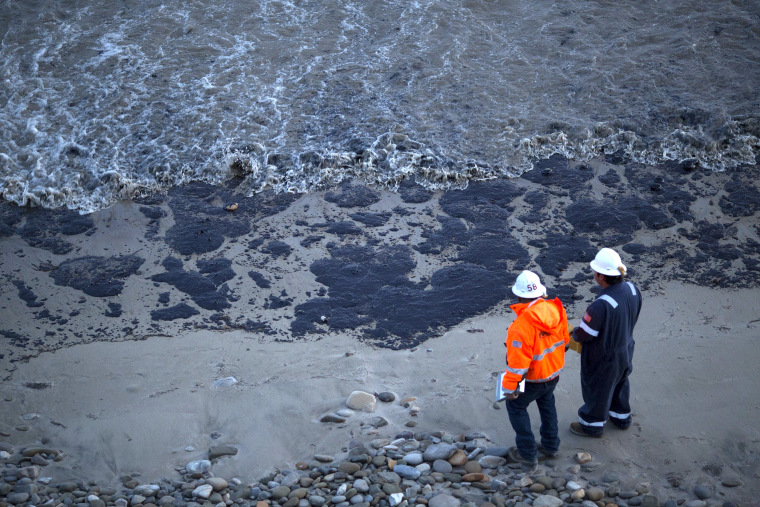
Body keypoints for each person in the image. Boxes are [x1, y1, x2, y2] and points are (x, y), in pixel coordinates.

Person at [570, 247, 643, 437]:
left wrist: (569, 337)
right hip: (626, 349)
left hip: (605, 358)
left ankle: (591, 425)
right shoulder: (633, 289)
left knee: (598, 390)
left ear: (601, 276)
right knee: (620, 383)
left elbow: (584, 334)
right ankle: (621, 418)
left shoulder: (600, 305)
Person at [502, 270, 570, 466]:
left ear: (518, 295)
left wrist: (510, 388)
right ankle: (551, 446)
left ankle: (527, 454)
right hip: (553, 373)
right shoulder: (557, 309)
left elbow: (518, 365)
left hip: (532, 379)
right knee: (547, 404)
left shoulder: (520, 326)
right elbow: (565, 342)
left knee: (516, 407)